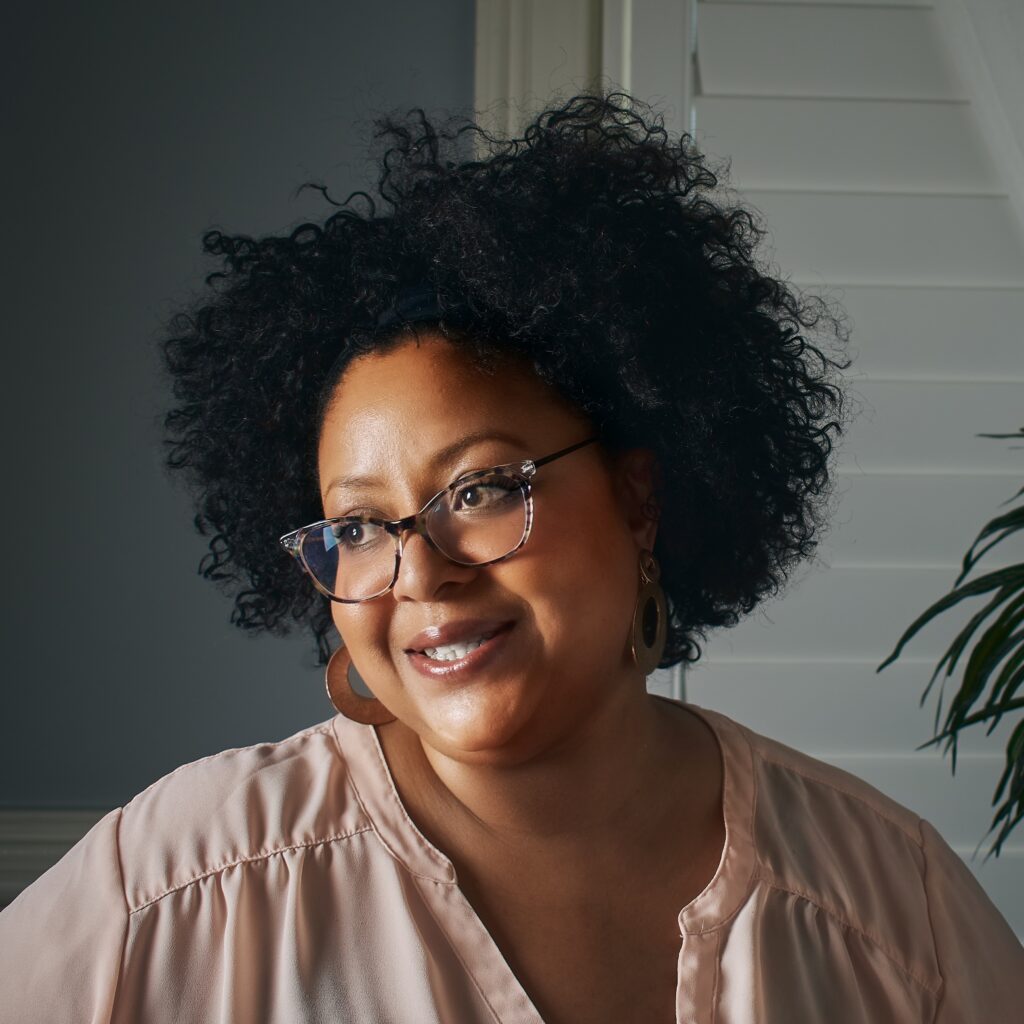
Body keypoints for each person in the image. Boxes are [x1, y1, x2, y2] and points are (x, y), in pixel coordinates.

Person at [1, 92, 1021, 1024]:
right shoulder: (190, 876)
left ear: (638, 498)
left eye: (481, 490)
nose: (422, 573)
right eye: (358, 528)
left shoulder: (892, 905)